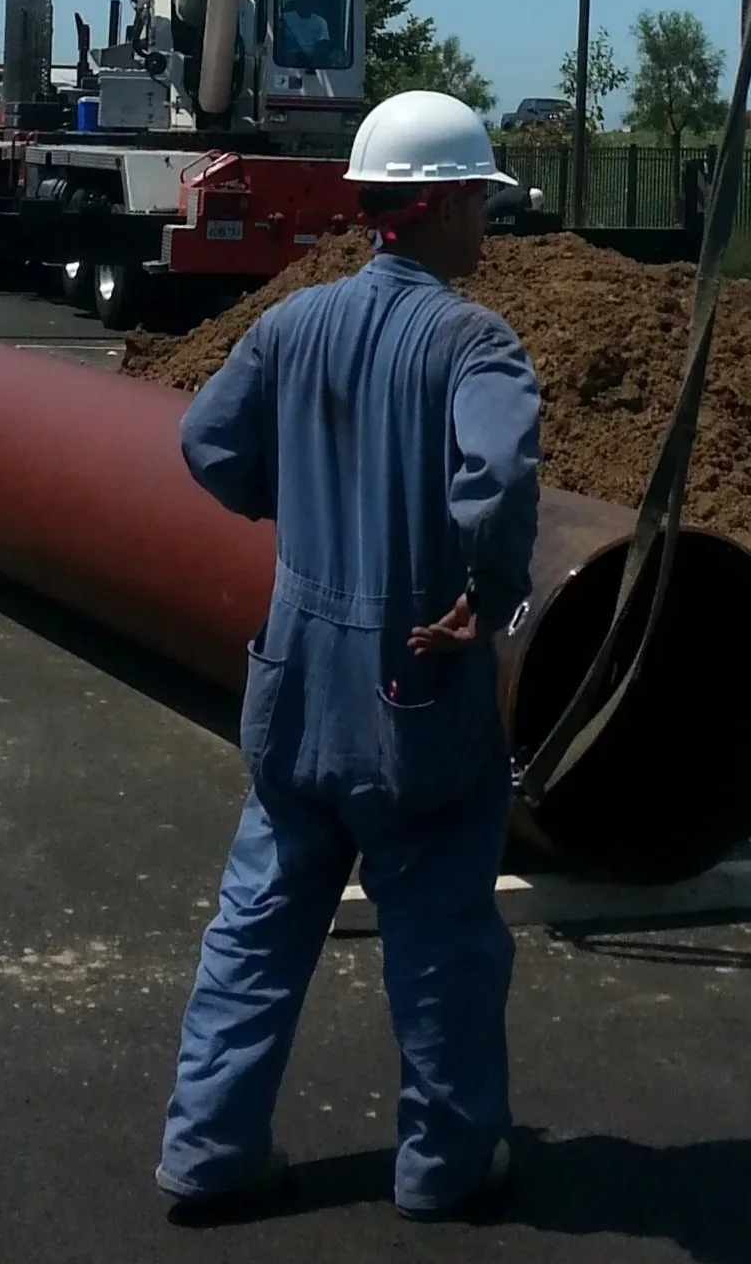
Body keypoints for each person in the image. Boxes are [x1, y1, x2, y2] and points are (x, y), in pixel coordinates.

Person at [158, 89, 540, 1221]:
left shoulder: (290, 325)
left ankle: (209, 1152)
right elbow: (501, 478)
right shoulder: (475, 340)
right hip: (412, 687)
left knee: (262, 920)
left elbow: (205, 442)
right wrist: (487, 592)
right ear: (438, 205)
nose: (487, 222)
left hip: (295, 676)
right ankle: (447, 1161)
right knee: (439, 935)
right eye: (479, 198)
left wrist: (302, 511)